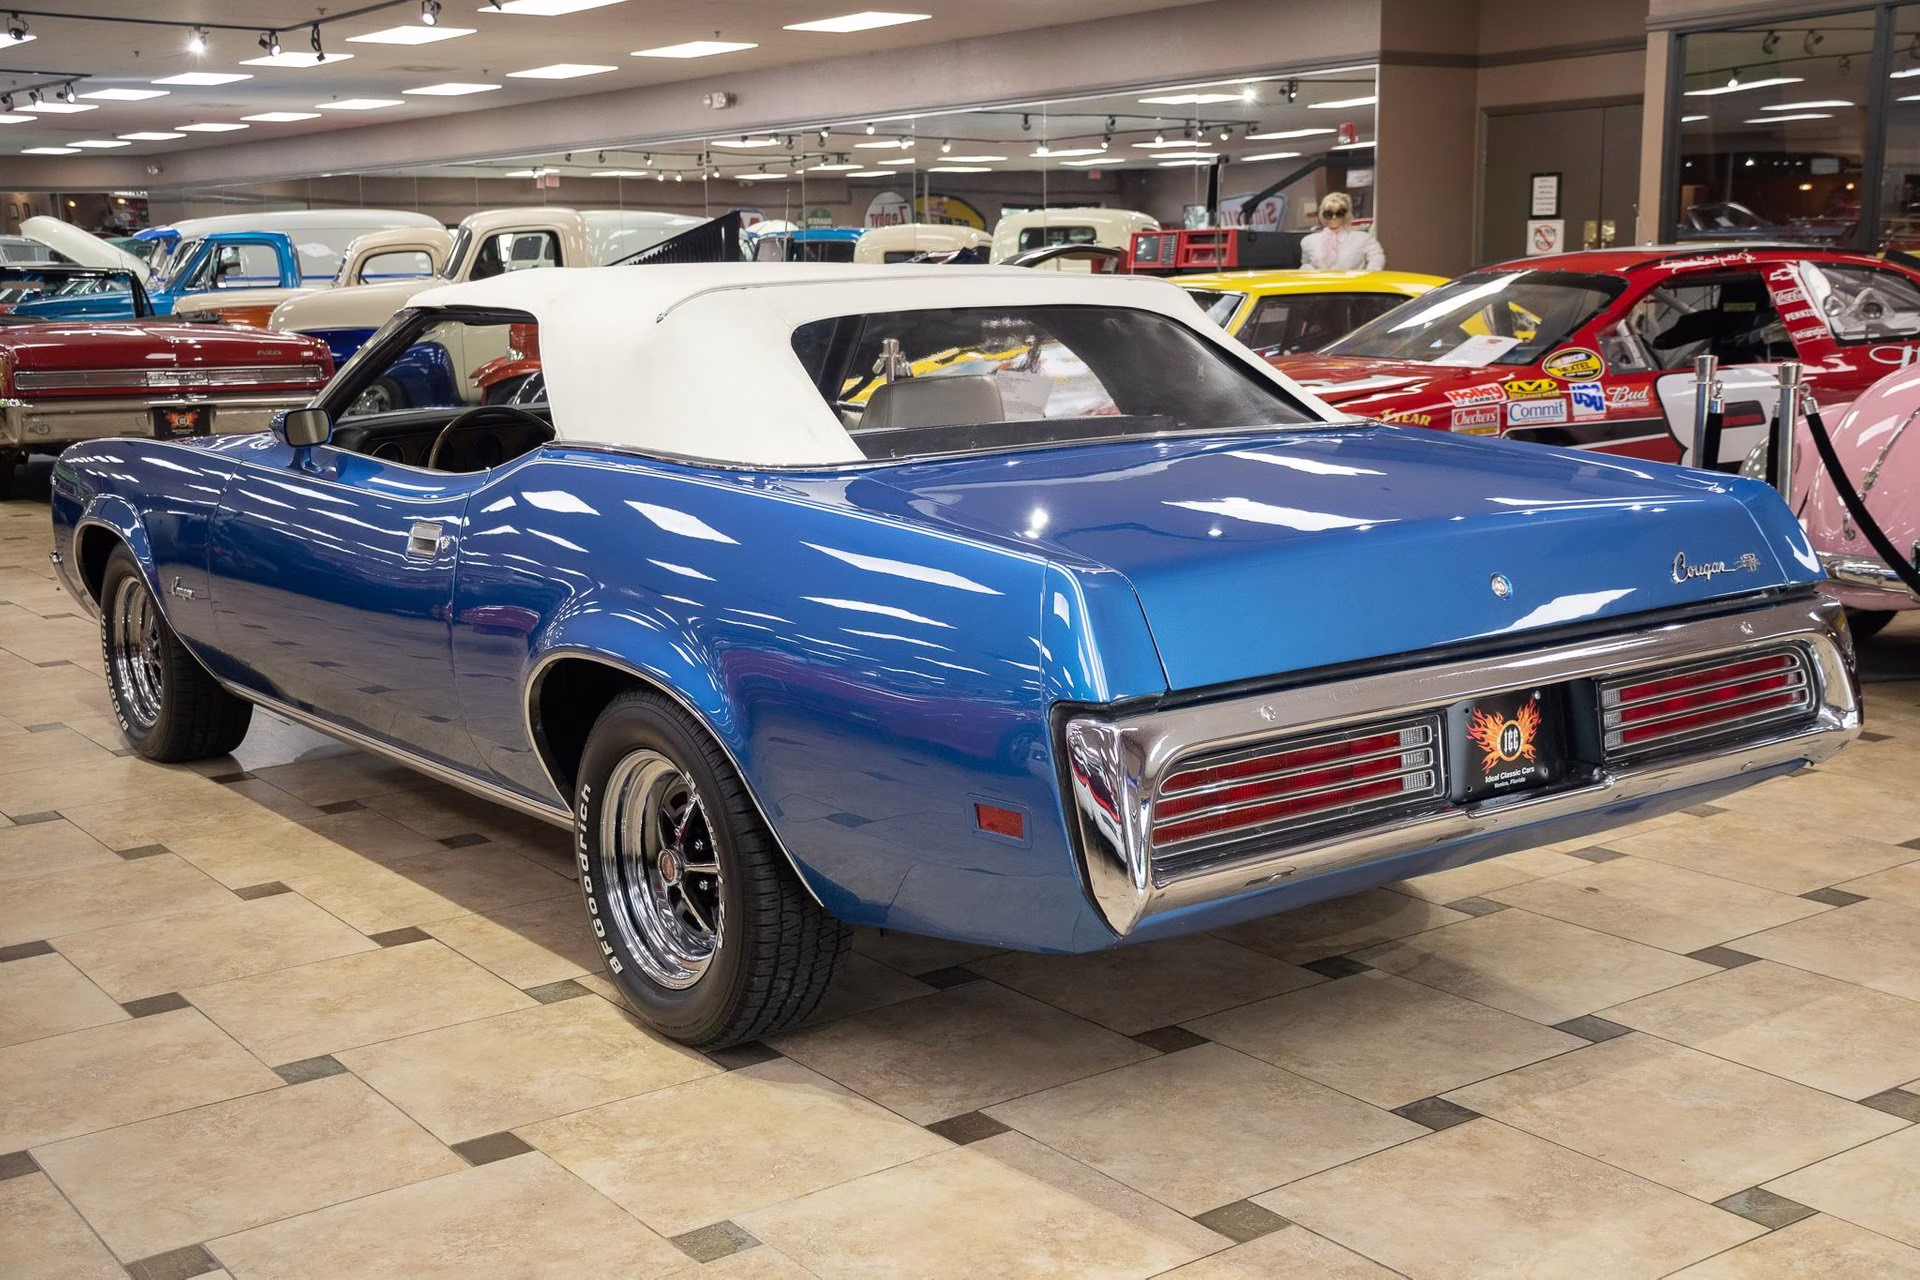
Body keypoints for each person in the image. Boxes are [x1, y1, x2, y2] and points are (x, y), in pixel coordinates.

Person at [1299, 192, 1385, 270]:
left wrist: (1366, 279)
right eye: (1329, 214)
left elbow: (1377, 260)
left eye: (1339, 213)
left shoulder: (1363, 239)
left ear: (1346, 215)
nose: (1334, 217)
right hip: (1320, 282)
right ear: (1322, 215)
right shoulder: (1308, 241)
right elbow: (1305, 264)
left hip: (1353, 282)